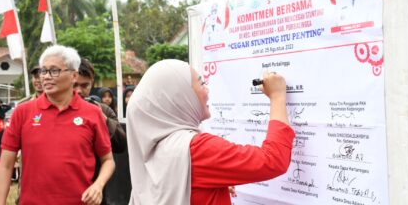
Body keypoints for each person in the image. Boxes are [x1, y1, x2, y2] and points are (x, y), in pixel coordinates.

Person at [126, 60, 295, 204]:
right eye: (201, 84)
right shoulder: (195, 148)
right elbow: (273, 160)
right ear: (180, 97)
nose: (207, 91)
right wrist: (277, 96)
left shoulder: (154, 144)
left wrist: (211, 180)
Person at [0, 45, 115, 205]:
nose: (46, 77)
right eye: (43, 71)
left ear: (73, 75)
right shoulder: (22, 112)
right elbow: (5, 166)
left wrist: (98, 185)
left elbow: (108, 160)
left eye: (54, 71)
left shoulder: (92, 113)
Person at [74, 58, 127, 205]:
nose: (79, 91)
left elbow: (121, 144)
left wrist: (102, 119)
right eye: (75, 85)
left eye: (85, 86)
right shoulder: (58, 110)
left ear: (92, 83)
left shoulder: (103, 109)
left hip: (95, 187)